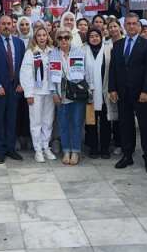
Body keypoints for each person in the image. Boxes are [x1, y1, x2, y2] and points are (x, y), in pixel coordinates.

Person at [108, 12, 147, 173]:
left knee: (144, 126)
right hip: (123, 92)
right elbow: (113, 69)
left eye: (134, 23)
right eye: (128, 23)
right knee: (125, 125)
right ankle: (127, 155)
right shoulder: (118, 45)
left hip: (141, 93)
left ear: (139, 26)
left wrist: (146, 90)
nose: (131, 26)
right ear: (124, 26)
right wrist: (112, 88)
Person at [0, 14, 26, 164]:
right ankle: (0, 151)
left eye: (9, 23)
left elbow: (23, 66)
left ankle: (10, 148)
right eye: (3, 24)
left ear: (13, 26)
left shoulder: (19, 43)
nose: (6, 26)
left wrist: (22, 83)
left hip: (15, 88)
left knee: (12, 120)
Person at [21, 22, 57, 162]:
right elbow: (25, 74)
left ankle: (45, 146)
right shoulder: (31, 52)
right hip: (36, 92)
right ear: (35, 38)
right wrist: (28, 93)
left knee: (48, 121)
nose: (42, 38)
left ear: (47, 36)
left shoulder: (52, 51)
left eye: (44, 35)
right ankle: (38, 150)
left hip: (49, 91)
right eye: (39, 35)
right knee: (36, 122)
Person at [52, 28, 87, 164]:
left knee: (77, 123)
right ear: (57, 40)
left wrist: (89, 90)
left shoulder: (79, 52)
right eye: (60, 38)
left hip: (77, 93)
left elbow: (86, 72)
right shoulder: (53, 54)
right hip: (61, 93)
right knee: (63, 123)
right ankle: (66, 150)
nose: (64, 40)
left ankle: (76, 151)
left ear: (71, 38)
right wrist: (54, 92)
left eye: (66, 37)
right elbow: (51, 76)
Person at [84, 26, 114, 159]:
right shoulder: (83, 50)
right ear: (88, 38)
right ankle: (93, 147)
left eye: (97, 36)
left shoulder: (108, 49)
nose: (94, 38)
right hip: (89, 93)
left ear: (101, 36)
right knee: (91, 122)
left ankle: (105, 148)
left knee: (106, 122)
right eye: (91, 36)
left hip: (104, 91)